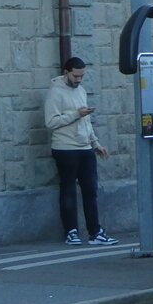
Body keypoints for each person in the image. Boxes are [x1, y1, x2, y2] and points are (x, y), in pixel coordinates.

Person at [44, 57, 118, 246]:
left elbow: (86, 121)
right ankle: (71, 232)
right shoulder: (55, 92)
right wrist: (75, 114)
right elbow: (51, 122)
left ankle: (95, 232)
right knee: (68, 190)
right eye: (75, 76)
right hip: (65, 148)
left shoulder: (81, 90)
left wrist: (96, 143)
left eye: (82, 76)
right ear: (66, 72)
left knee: (90, 190)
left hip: (85, 147)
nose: (78, 79)